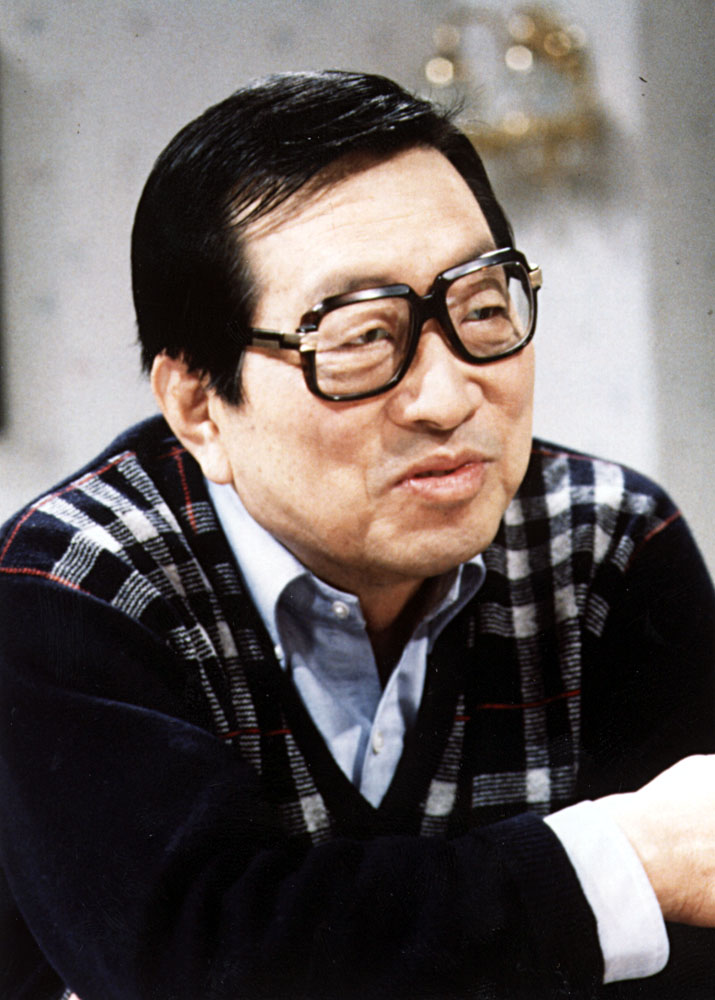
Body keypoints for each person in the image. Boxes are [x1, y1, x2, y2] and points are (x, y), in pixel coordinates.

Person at [1, 70, 714, 1000]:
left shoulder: (604, 543)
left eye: (482, 310)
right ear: (199, 405)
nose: (447, 397)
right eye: (360, 338)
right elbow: (193, 960)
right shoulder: (72, 589)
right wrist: (625, 863)